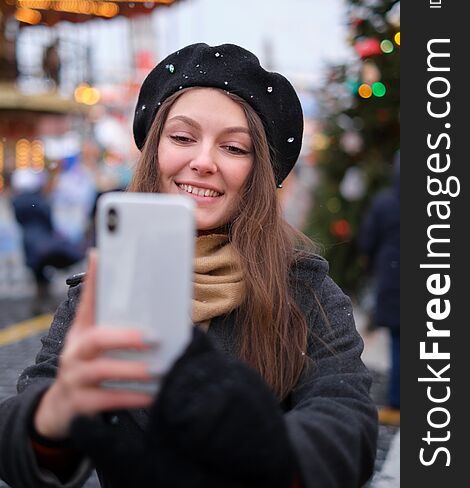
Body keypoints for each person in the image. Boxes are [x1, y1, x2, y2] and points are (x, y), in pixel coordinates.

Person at [0, 43, 378, 488]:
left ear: (260, 171)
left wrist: (262, 443)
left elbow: (348, 426)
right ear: (154, 151)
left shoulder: (307, 291)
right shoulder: (102, 290)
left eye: (234, 147)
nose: (202, 161)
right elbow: (18, 444)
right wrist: (56, 410)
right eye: (182, 138)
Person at [358, 152, 400, 426]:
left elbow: (368, 240)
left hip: (394, 282)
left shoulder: (386, 203)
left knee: (399, 344)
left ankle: (397, 403)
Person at [9, 168, 86, 312]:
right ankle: (46, 302)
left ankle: (40, 301)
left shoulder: (16, 202)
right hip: (45, 242)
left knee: (38, 272)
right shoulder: (40, 201)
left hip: (30, 243)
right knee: (47, 266)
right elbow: (48, 220)